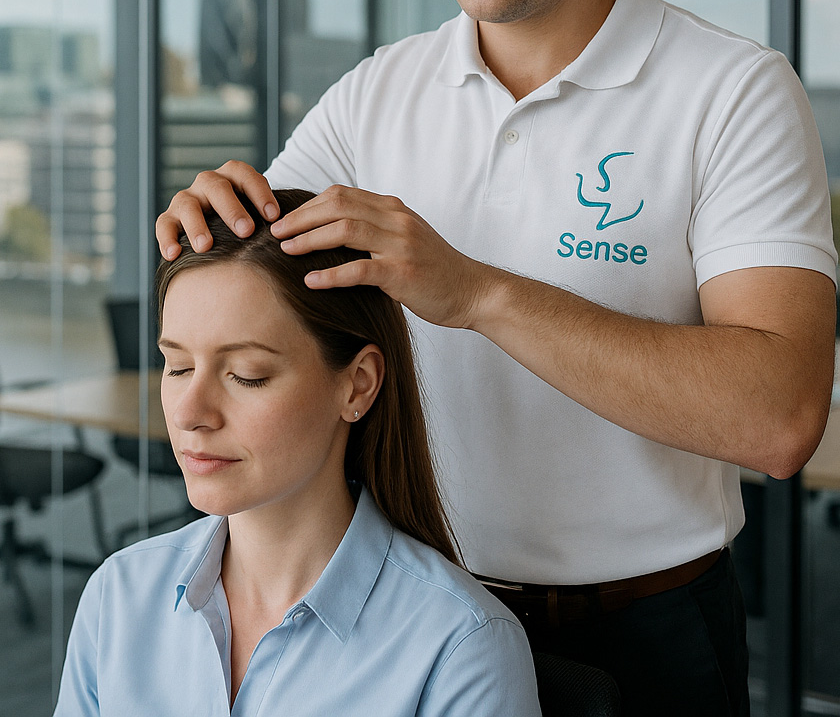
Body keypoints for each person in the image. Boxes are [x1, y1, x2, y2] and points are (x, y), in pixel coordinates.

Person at [155, 0, 838, 714]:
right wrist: (208, 217)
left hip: (644, 641)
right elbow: (259, 302)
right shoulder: (375, 94)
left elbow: (781, 420)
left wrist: (478, 292)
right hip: (410, 621)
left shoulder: (733, 92)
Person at [54, 189, 541, 716]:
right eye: (177, 367)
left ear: (357, 386)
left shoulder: (459, 649)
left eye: (247, 375)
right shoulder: (118, 598)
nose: (191, 413)